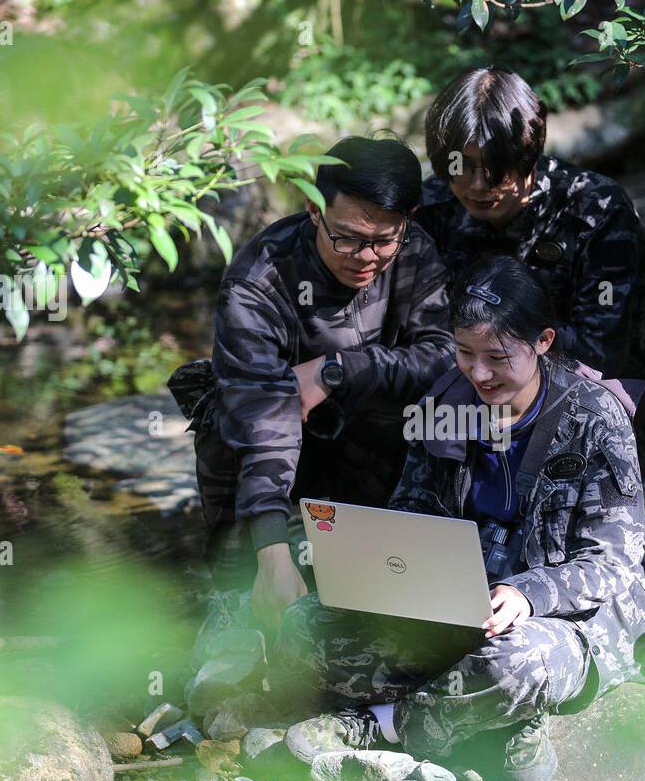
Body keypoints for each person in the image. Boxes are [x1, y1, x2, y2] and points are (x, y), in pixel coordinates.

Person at [272, 254, 645, 781]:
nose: (478, 373)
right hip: (456, 608)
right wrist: (385, 572)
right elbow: (412, 512)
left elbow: (613, 562)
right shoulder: (446, 401)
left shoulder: (595, 416)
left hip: (564, 619)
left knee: (515, 666)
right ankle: (487, 721)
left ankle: (382, 724)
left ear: (543, 342)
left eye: (497, 357)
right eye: (464, 353)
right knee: (303, 627)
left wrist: (527, 595)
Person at [174, 135, 455, 643]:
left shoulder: (414, 250)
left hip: (376, 440)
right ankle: (249, 578)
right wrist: (270, 550)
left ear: (407, 221)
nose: (365, 257)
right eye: (346, 237)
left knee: (454, 407)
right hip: (282, 450)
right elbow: (262, 419)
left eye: (383, 240)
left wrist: (337, 369)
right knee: (226, 419)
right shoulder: (259, 278)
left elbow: (442, 356)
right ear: (313, 209)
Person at [416, 66, 645, 481]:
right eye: (460, 166)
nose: (476, 184)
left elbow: (600, 351)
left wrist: (503, 364)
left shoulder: (594, 209)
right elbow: (416, 329)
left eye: (494, 167)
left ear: (529, 154)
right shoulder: (432, 207)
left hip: (600, 400)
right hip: (464, 385)